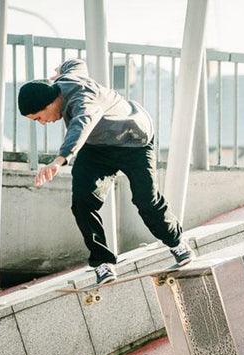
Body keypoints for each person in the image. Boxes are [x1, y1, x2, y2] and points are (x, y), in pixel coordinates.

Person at [18, 58, 193, 286]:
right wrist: (61, 68)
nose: (42, 123)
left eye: (39, 118)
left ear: (51, 103)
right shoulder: (64, 80)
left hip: (134, 140)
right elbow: (77, 62)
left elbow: (81, 124)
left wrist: (59, 160)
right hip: (98, 147)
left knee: (145, 200)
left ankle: (177, 242)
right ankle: (102, 262)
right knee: (82, 200)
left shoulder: (83, 99)